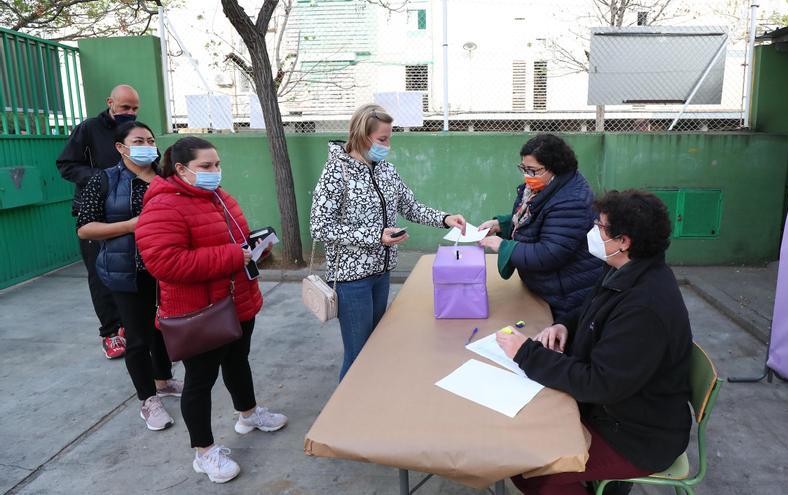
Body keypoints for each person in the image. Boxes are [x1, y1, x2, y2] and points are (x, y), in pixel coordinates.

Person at [495, 190, 693, 495]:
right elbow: (591, 310)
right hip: (614, 412)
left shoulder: (644, 308)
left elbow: (598, 383)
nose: (592, 233)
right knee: (526, 444)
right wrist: (564, 326)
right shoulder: (624, 269)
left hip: (637, 436)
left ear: (624, 241)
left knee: (531, 470)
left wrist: (526, 353)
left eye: (600, 228)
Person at [135, 137, 287, 484]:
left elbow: (234, 238)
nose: (215, 172)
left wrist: (254, 248)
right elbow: (164, 262)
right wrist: (234, 256)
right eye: (206, 166)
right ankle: (204, 452)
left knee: (237, 361)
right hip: (199, 312)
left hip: (236, 301)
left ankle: (248, 414)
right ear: (181, 169)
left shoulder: (217, 196)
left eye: (217, 165)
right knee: (199, 382)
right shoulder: (163, 207)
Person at [310, 103, 467, 380]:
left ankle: (370, 404)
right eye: (383, 138)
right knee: (358, 354)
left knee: (376, 346)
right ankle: (345, 415)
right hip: (351, 279)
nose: (388, 144)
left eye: (389, 137)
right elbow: (320, 227)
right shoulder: (336, 172)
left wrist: (445, 218)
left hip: (381, 274)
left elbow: (410, 206)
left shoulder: (385, 170)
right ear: (361, 135)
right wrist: (375, 236)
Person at [76, 121, 182, 431]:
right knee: (137, 338)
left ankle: (163, 380)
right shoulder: (104, 181)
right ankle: (148, 400)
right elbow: (85, 228)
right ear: (121, 147)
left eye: (150, 140)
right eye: (139, 141)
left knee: (164, 329)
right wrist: (133, 224)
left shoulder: (166, 178)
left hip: (168, 269)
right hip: (127, 270)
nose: (147, 145)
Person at [57, 84, 142, 359]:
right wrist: (100, 180)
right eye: (125, 107)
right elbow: (66, 164)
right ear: (110, 102)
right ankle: (110, 332)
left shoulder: (136, 131)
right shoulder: (89, 129)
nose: (129, 113)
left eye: (134, 108)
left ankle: (130, 326)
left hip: (129, 212)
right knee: (100, 274)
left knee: (131, 271)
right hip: (96, 213)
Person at [478, 134, 603, 320]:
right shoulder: (543, 186)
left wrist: (504, 247)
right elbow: (534, 220)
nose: (527, 175)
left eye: (532, 170)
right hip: (547, 288)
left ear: (555, 168)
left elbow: (550, 253)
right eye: (523, 168)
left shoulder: (571, 200)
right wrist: (501, 225)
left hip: (566, 295)